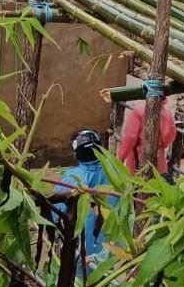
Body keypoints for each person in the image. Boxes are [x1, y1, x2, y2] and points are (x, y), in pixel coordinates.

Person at [53, 129, 119, 273]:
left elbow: (55, 214)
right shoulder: (116, 171)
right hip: (109, 248)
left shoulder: (71, 179)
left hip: (81, 248)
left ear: (76, 153)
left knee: (79, 282)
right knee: (103, 279)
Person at [117, 97, 177, 177]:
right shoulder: (167, 114)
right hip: (159, 156)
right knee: (157, 183)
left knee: (137, 185)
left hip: (138, 157)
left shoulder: (138, 113)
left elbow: (129, 138)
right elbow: (170, 136)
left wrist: (121, 156)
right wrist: (161, 145)